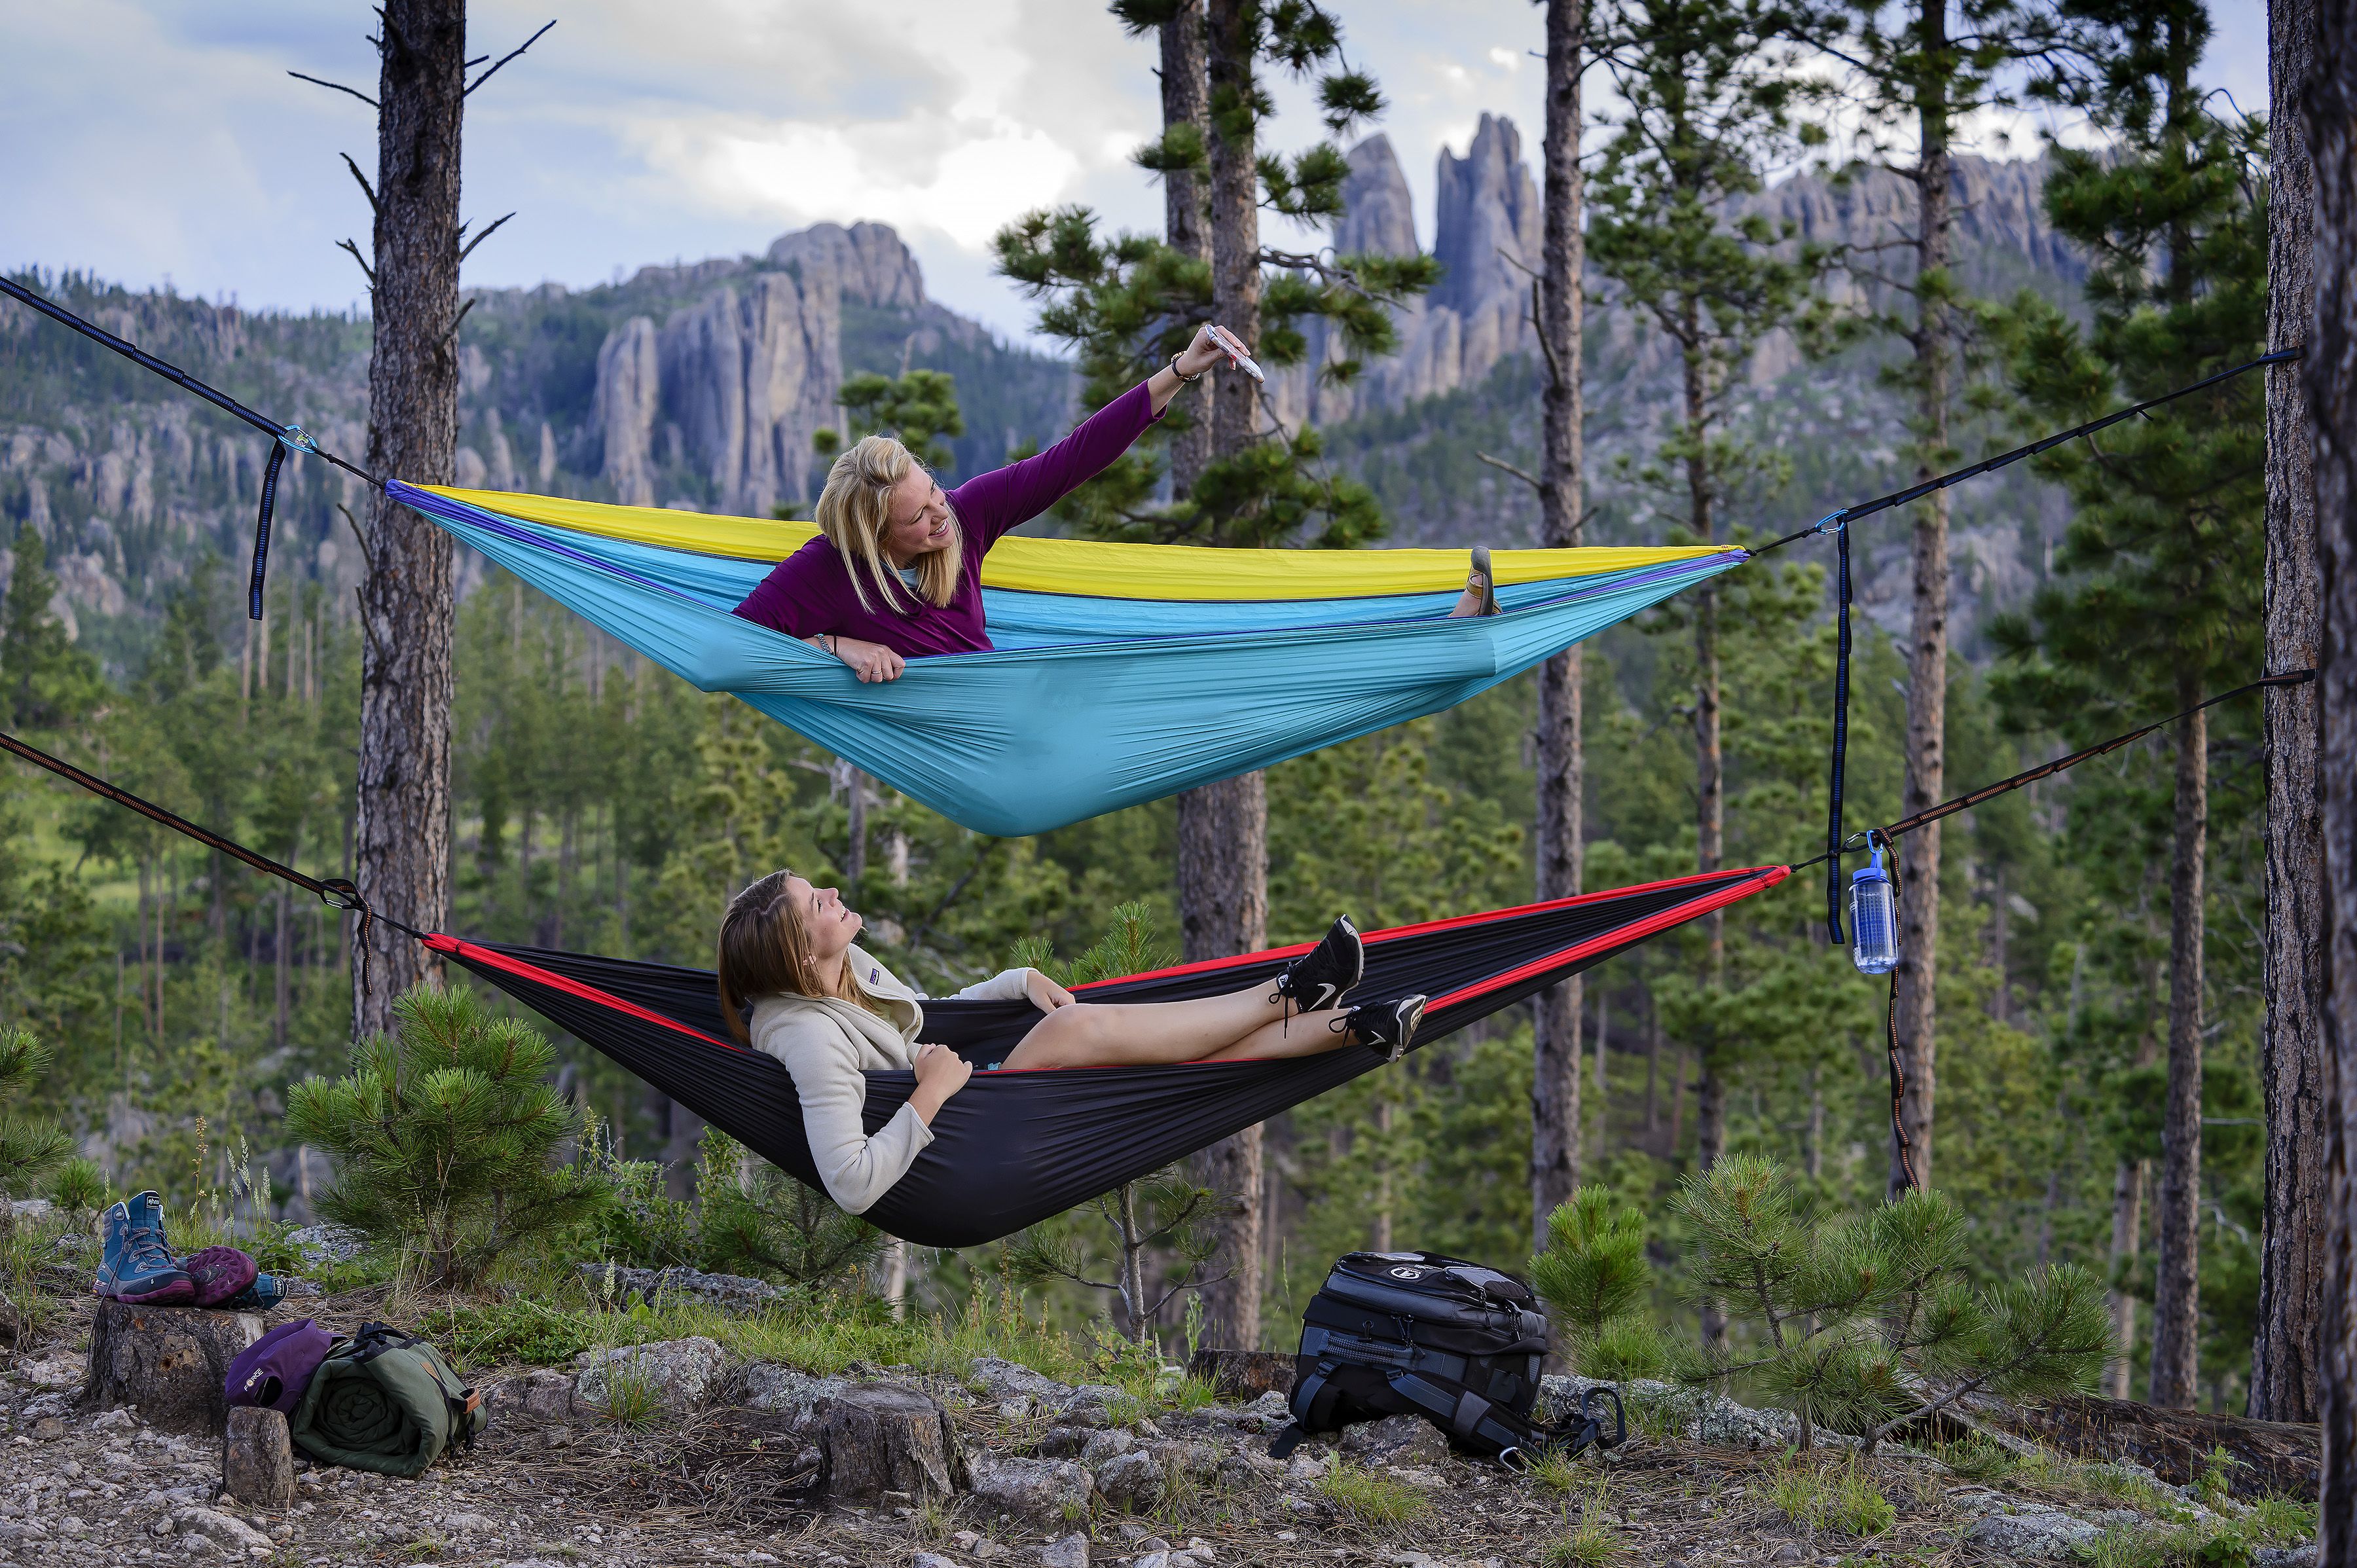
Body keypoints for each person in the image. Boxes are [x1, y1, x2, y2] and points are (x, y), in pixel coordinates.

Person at [731, 325, 1500, 683]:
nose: (940, 517)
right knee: (1214, 668)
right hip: (991, 742)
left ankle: (1439, 641)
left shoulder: (967, 517)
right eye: (919, 517)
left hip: (1025, 707)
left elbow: (1074, 458)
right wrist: (836, 648)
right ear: (875, 535)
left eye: (934, 492)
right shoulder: (831, 573)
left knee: (1243, 652)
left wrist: (1177, 370)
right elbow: (727, 647)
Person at [716, 869, 1427, 1214]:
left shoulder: (848, 969)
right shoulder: (808, 1035)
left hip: (979, 1097)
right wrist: (930, 1097)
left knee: (1186, 1065)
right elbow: (850, 1182)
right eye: (819, 905)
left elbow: (932, 1024)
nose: (834, 897)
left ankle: (1354, 1029)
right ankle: (1290, 992)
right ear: (801, 958)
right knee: (1077, 1026)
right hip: (964, 1153)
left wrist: (1011, 980)